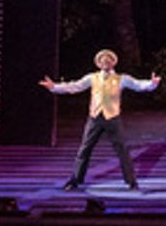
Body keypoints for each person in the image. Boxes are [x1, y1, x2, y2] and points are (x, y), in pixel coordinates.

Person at [40, 48, 159, 190]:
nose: (105, 62)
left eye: (108, 60)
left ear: (113, 63)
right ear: (98, 63)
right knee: (84, 149)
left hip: (113, 118)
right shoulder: (92, 77)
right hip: (95, 118)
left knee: (122, 150)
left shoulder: (122, 79)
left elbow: (138, 85)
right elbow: (75, 86)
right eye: (102, 60)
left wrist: (152, 84)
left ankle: (132, 181)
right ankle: (75, 180)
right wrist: (54, 87)